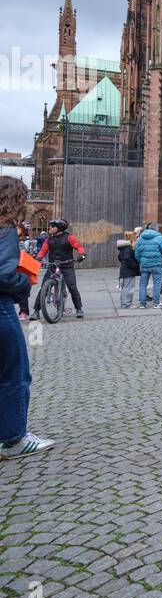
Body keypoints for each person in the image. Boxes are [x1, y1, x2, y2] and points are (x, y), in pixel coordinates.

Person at [0, 177, 53, 459]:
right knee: (15, 374)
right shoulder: (4, 228)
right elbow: (4, 275)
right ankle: (14, 439)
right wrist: (24, 283)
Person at [33, 218, 86, 319]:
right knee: (44, 287)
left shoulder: (69, 238)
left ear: (59, 228)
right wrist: (38, 259)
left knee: (72, 287)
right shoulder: (49, 239)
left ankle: (79, 309)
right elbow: (43, 250)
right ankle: (36, 311)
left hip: (66, 266)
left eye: (52, 226)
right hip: (53, 265)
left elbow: (79, 247)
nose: (50, 228)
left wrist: (81, 255)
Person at [132, 223, 162, 309]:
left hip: (144, 264)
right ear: (156, 229)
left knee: (143, 284)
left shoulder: (141, 238)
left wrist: (141, 261)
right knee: (157, 284)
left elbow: (136, 253)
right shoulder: (160, 238)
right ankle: (156, 303)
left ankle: (142, 303)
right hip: (156, 264)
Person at [117, 230, 141, 309]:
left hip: (125, 270)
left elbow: (120, 257)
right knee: (129, 288)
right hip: (128, 271)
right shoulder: (128, 247)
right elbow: (127, 258)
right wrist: (135, 265)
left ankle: (125, 303)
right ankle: (127, 304)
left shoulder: (124, 247)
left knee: (126, 287)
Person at [14, 223, 32, 320]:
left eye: (18, 228)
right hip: (10, 268)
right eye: (15, 228)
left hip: (22, 269)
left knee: (22, 292)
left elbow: (30, 254)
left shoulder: (26, 241)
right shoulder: (7, 240)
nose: (16, 230)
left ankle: (23, 312)